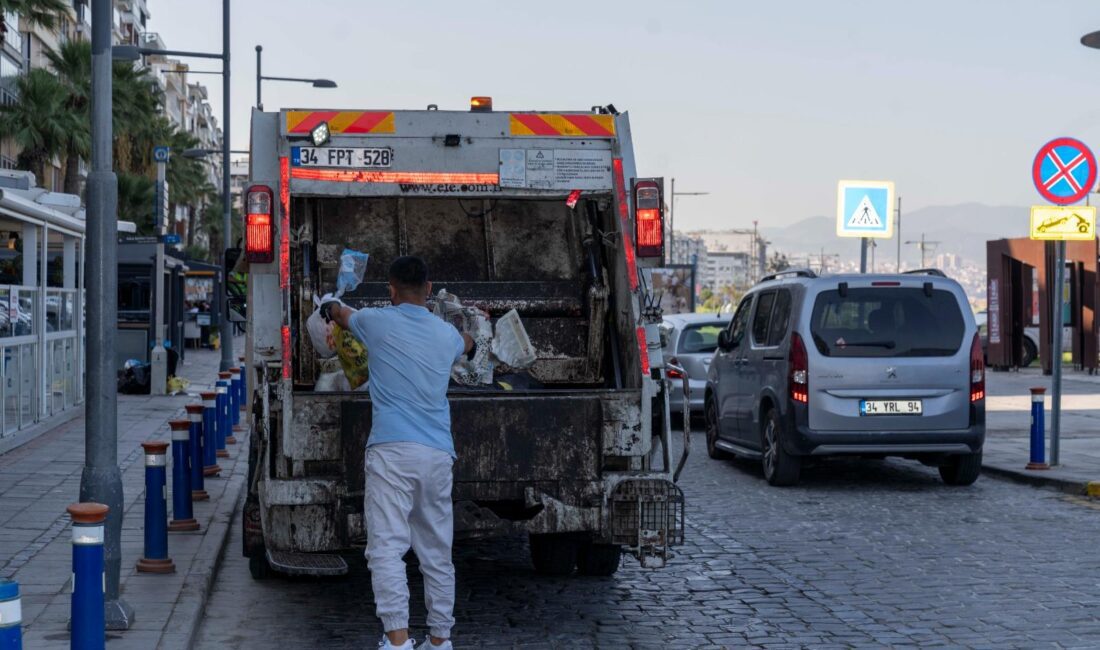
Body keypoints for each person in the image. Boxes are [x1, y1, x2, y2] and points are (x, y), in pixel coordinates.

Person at [321, 256, 473, 650]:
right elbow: (468, 343)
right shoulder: (446, 336)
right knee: (437, 553)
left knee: (387, 549)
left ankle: (399, 641)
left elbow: (340, 314)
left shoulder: (377, 322)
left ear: (390, 290)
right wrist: (475, 327)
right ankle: (440, 641)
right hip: (437, 454)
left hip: (391, 452)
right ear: (429, 288)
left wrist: (327, 302)